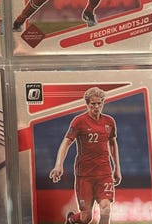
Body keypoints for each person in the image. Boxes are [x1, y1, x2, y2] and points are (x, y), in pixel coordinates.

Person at [49, 87, 121, 224]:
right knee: (86, 218)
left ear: (103, 103)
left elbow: (112, 143)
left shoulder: (109, 122)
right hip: (85, 175)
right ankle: (71, 219)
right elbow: (66, 142)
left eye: (99, 103)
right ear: (87, 104)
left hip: (104, 173)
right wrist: (59, 165)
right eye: (93, 104)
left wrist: (117, 168)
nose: (96, 107)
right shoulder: (79, 121)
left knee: (106, 209)